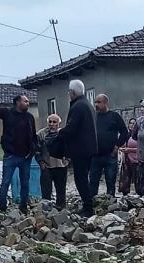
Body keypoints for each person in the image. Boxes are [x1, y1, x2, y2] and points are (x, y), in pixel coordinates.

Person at [0, 89, 37, 214]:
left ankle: (23, 206)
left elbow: (33, 135)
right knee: (6, 182)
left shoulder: (29, 117)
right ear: (18, 102)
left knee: (25, 183)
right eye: (25, 101)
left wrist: (32, 151)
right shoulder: (7, 113)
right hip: (11, 156)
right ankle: (2, 206)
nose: (28, 103)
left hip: (26, 157)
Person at [60, 79, 97, 218]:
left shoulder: (78, 106)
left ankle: (88, 208)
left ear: (72, 92)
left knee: (80, 180)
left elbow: (72, 128)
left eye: (69, 92)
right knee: (83, 178)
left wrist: (61, 132)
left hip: (80, 150)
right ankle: (87, 205)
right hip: (88, 149)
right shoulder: (87, 104)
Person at [90, 94, 129, 197]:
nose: (96, 105)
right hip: (95, 155)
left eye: (99, 102)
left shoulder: (114, 116)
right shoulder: (93, 117)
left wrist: (117, 146)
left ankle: (110, 202)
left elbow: (124, 132)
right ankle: (92, 202)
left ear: (106, 103)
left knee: (110, 181)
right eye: (95, 102)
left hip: (110, 155)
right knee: (93, 181)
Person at [36, 114, 69, 209]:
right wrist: (41, 163)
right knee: (46, 190)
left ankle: (61, 208)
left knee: (61, 190)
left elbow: (69, 148)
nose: (52, 124)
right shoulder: (41, 134)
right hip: (46, 166)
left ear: (59, 123)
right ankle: (46, 209)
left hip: (61, 165)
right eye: (50, 122)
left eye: (54, 122)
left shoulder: (63, 134)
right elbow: (37, 150)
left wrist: (67, 160)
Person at [118, 118, 139, 196]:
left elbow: (141, 148)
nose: (132, 125)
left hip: (135, 159)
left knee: (137, 178)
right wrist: (122, 149)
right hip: (125, 159)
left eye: (134, 123)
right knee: (125, 177)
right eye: (130, 123)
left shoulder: (138, 135)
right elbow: (119, 145)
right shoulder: (125, 134)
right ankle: (124, 194)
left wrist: (129, 149)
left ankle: (139, 194)